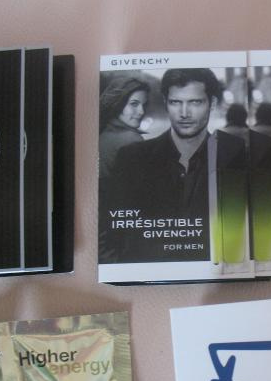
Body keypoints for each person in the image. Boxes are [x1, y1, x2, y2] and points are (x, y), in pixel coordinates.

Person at [100, 68, 247, 264]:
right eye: (176, 102)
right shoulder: (131, 157)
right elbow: (112, 230)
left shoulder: (235, 156)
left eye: (195, 102)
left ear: (212, 104)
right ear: (166, 103)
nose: (184, 113)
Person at [98, 77, 149, 178]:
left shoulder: (103, 132)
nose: (142, 112)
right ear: (117, 104)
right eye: (134, 104)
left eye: (144, 105)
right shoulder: (131, 139)